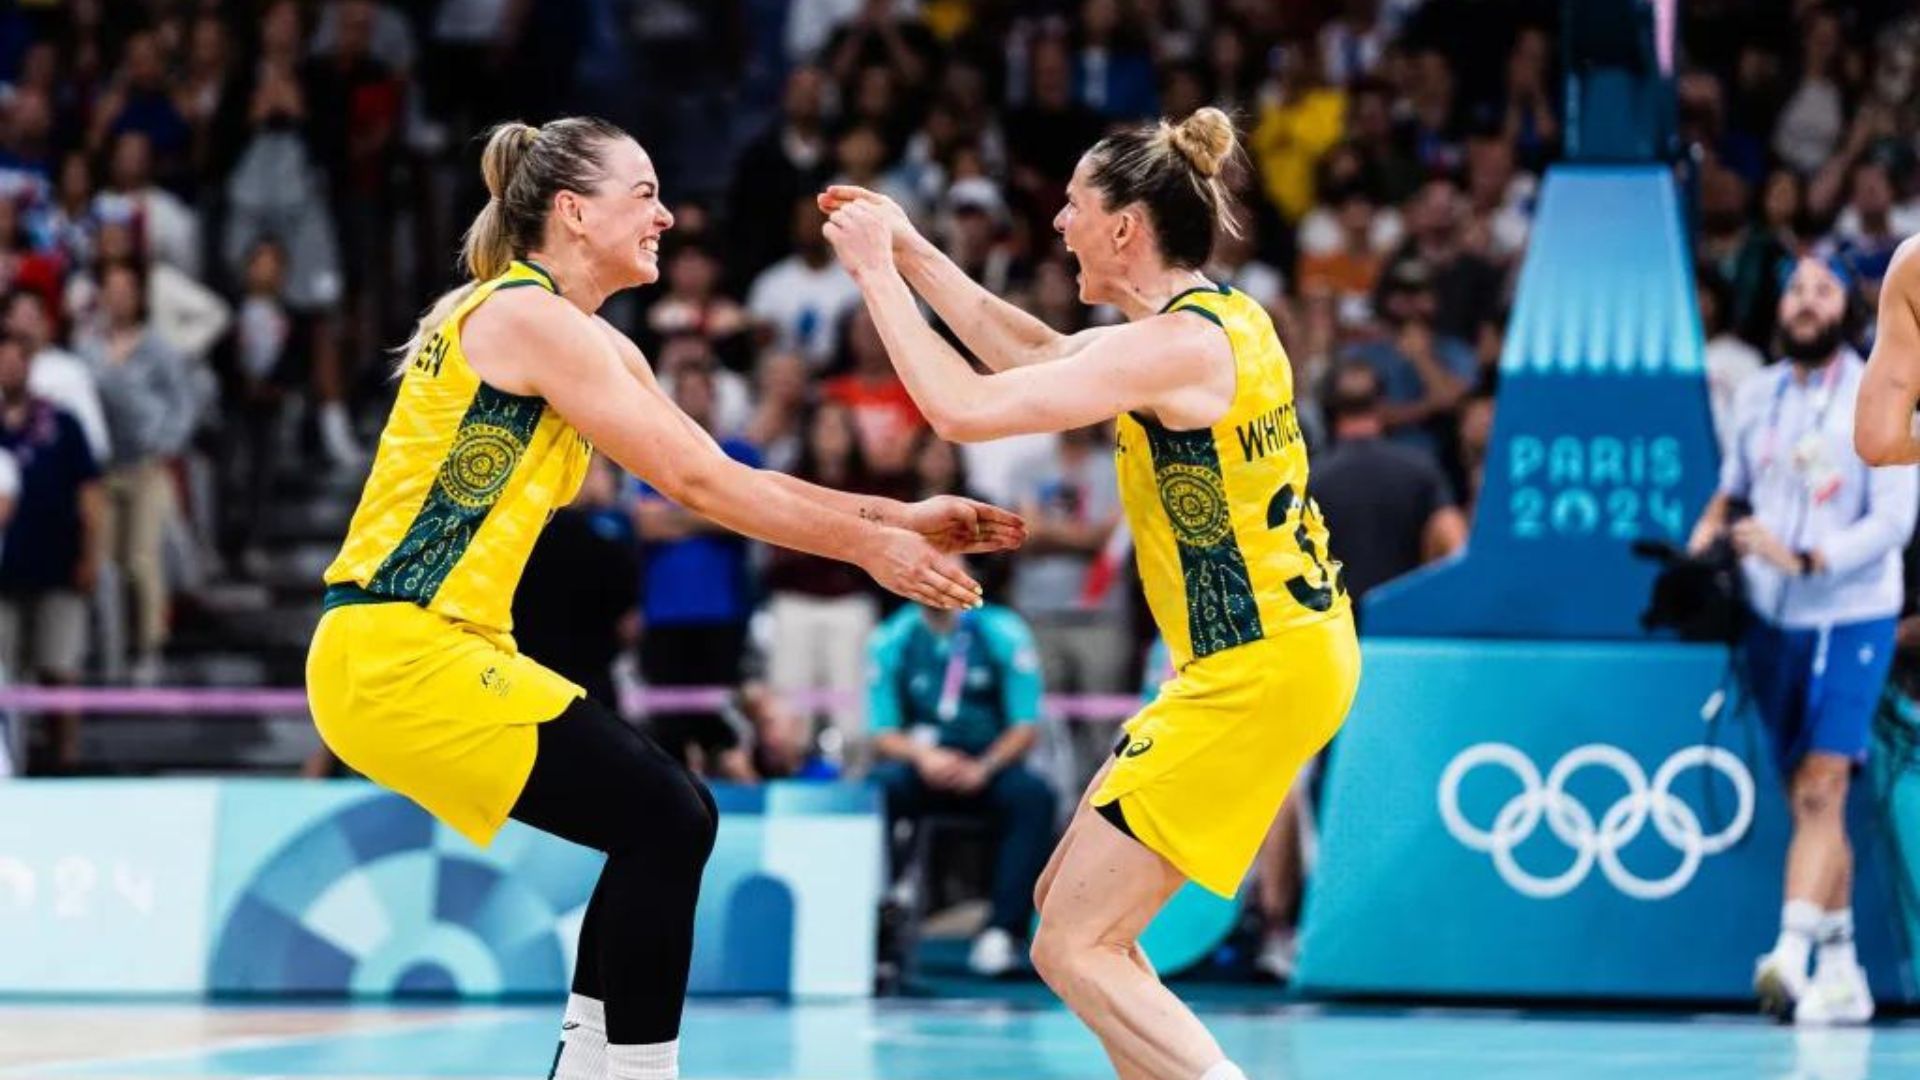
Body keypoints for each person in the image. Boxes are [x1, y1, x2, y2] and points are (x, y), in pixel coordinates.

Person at [306, 118, 1024, 1080]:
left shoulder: (585, 339)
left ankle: (589, 1066)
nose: (668, 216)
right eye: (643, 194)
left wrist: (895, 516)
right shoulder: (526, 319)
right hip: (397, 648)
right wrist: (870, 547)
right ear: (573, 212)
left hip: (431, 649)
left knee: (659, 819)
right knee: (667, 816)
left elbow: (724, 474)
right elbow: (699, 487)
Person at [821, 106, 1360, 1080]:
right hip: (1272, 655)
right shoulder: (1212, 322)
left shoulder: (1177, 348)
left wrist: (872, 276)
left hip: (1257, 667)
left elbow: (963, 407)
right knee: (1070, 919)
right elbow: (1032, 356)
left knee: (1074, 945)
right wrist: (910, 250)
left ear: (1125, 227)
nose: (1058, 223)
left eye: (1073, 205)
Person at [1692, 254, 1918, 1026]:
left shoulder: (1878, 383)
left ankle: (1789, 958)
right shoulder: (1755, 396)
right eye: (1795, 288)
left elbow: (1893, 521)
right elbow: (1730, 491)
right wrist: (1704, 545)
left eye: (1824, 290)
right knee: (1810, 800)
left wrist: (1809, 558)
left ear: (1847, 309)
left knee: (1824, 785)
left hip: (1852, 611)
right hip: (1771, 617)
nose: (1807, 301)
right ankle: (1844, 967)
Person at [868, 573, 1057, 977]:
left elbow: (1025, 725)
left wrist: (984, 766)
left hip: (988, 763)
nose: (938, 572)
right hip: (923, 763)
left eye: (950, 560)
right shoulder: (892, 636)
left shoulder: (1002, 630)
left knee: (1034, 797)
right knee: (876, 789)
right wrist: (924, 757)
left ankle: (1003, 931)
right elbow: (882, 732)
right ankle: (879, 917)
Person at [0, 333, 103, 773]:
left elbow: (90, 495)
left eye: (16, 360)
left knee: (60, 668)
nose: (9, 369)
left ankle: (66, 760)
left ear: (31, 366)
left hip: (59, 566)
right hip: (4, 578)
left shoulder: (63, 423)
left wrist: (90, 557)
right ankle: (13, 765)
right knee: (5, 675)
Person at [1311, 361, 1468, 606]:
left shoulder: (1312, 478)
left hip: (1336, 622)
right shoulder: (1420, 470)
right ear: (1382, 404)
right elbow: (1455, 545)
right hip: (1401, 620)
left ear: (1328, 411)